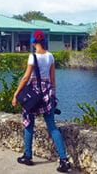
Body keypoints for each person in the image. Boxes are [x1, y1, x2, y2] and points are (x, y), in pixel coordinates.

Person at [12, 30, 71, 173]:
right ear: (44, 41)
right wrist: (53, 95)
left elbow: (26, 78)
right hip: (47, 92)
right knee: (52, 126)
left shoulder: (32, 57)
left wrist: (16, 94)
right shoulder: (50, 56)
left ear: (33, 42)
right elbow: (52, 79)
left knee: (28, 123)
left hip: (33, 92)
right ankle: (64, 160)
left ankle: (28, 155)